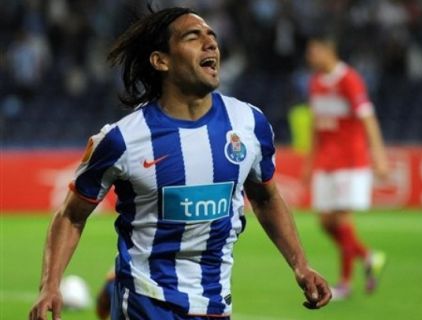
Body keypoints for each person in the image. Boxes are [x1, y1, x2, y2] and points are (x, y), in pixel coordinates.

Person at [29, 7, 331, 320]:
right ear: (161, 61)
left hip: (215, 305)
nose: (210, 43)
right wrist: (50, 285)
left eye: (212, 37)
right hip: (145, 304)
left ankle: (108, 289)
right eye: (193, 37)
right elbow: (71, 215)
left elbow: (266, 198)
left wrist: (300, 265)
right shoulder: (123, 139)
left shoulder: (249, 124)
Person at [303, 33, 388, 300]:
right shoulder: (315, 82)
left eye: (314, 51)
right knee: (326, 223)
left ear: (328, 51)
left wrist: (379, 155)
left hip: (350, 162)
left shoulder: (349, 79)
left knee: (341, 220)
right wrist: (309, 162)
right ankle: (369, 257)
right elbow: (317, 125)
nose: (310, 57)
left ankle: (344, 283)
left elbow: (368, 118)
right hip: (326, 162)